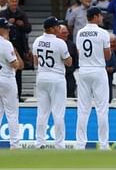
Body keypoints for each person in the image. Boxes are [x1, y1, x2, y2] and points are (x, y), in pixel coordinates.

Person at [33, 17, 72, 149]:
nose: (59, 28)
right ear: (50, 28)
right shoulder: (60, 43)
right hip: (57, 78)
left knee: (42, 112)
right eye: (56, 26)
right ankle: (59, 144)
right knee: (58, 113)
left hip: (42, 76)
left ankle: (39, 143)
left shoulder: (37, 41)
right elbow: (68, 62)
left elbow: (35, 61)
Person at [75, 7, 111, 150]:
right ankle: (103, 144)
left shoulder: (80, 33)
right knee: (102, 109)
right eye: (100, 16)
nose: (101, 18)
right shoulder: (103, 33)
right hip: (98, 70)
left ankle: (80, 143)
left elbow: (79, 52)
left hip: (83, 70)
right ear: (95, 17)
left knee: (83, 108)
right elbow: (107, 56)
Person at [0, 18, 23, 149]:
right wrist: (16, 56)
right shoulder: (6, 44)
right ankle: (15, 144)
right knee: (12, 113)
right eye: (5, 28)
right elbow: (15, 64)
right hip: (6, 79)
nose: (8, 30)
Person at [0, 0, 31, 101]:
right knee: (5, 69)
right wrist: (8, 23)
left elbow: (28, 29)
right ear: (8, 2)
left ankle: (18, 95)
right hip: (4, 45)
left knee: (18, 72)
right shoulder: (3, 14)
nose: (14, 4)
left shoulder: (22, 14)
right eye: (12, 2)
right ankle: (5, 96)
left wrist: (22, 24)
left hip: (19, 46)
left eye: (15, 2)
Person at [56, 24, 78, 98]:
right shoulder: (53, 44)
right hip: (57, 75)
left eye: (66, 33)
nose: (66, 35)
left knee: (70, 95)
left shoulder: (72, 45)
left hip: (69, 75)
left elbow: (76, 61)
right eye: (63, 33)